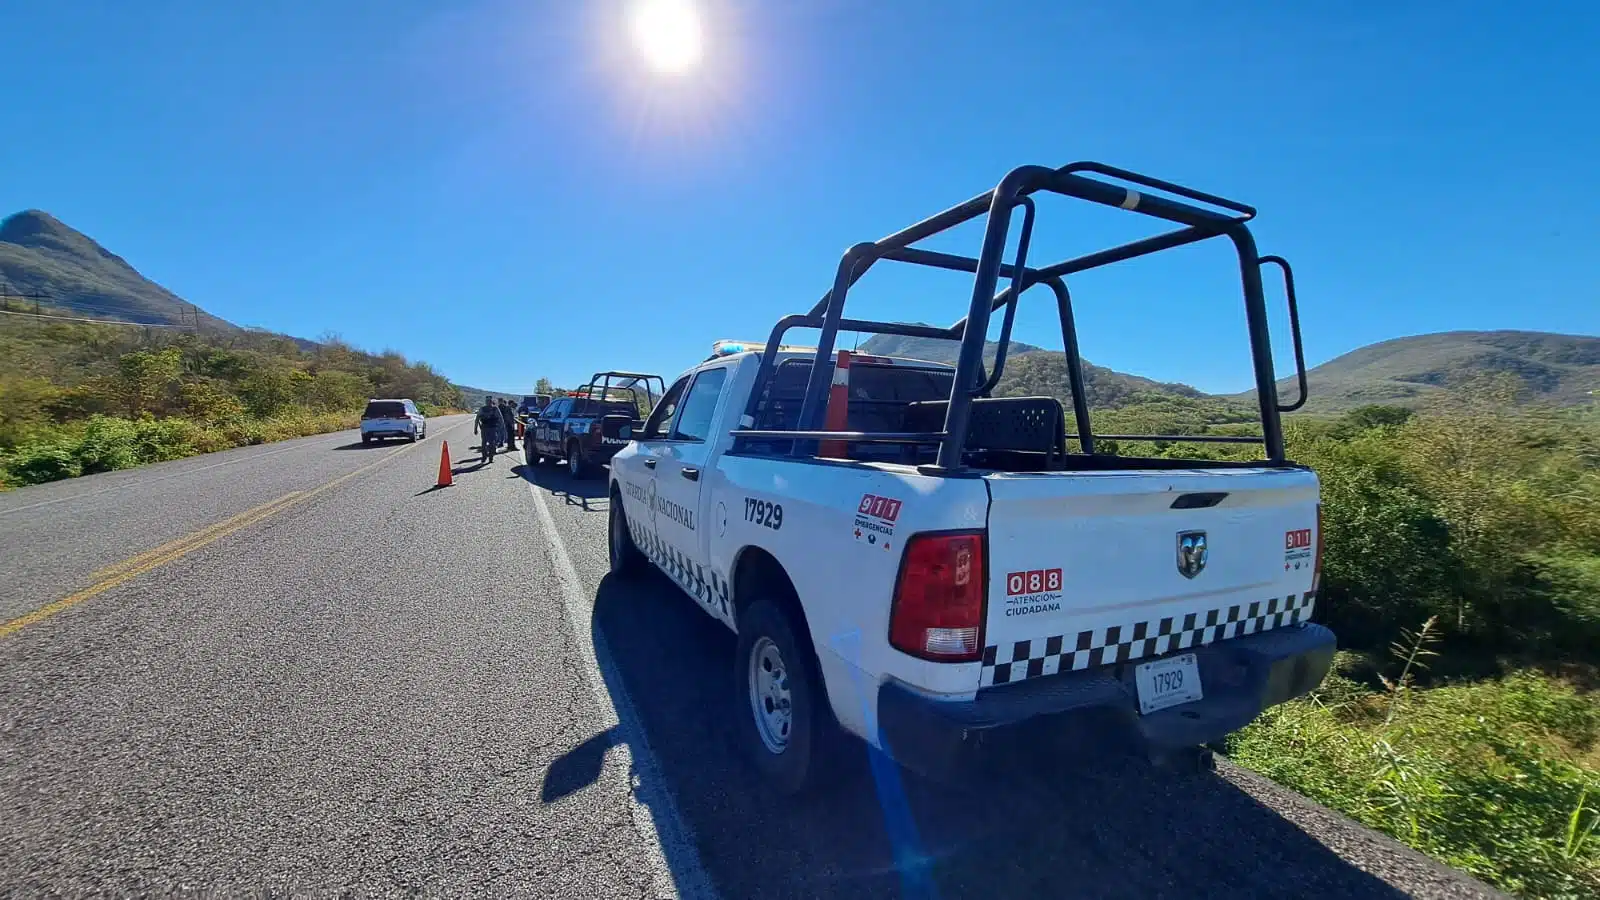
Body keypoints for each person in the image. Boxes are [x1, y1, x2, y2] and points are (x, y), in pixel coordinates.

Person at [474, 396, 503, 462]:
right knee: (490, 443)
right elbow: (500, 419)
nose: (488, 402)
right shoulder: (495, 409)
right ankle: (489, 457)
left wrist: (475, 429)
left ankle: (486, 457)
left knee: (486, 443)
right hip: (491, 428)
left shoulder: (483, 409)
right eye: (488, 401)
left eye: (488, 401)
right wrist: (501, 427)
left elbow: (477, 419)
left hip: (487, 428)